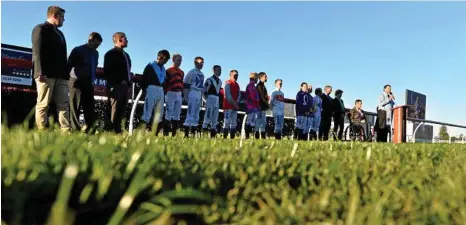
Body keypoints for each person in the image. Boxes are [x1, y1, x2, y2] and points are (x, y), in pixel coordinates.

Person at [31, 6, 70, 133]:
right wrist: (40, 72)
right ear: (55, 16)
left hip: (61, 76)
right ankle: (42, 130)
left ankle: (66, 131)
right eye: (62, 17)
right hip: (46, 75)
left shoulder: (60, 34)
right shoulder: (40, 29)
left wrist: (66, 75)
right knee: (43, 104)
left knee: (64, 104)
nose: (64, 20)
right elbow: (37, 52)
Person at [68, 32, 102, 133]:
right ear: (90, 40)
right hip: (76, 81)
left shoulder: (96, 53)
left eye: (98, 45)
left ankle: (90, 131)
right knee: (75, 107)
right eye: (95, 44)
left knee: (90, 108)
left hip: (88, 83)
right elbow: (69, 65)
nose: (96, 47)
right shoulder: (77, 50)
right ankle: (75, 130)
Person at [103, 32, 131, 134]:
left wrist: (128, 83)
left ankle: (117, 130)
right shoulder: (111, 54)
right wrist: (119, 80)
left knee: (121, 109)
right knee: (113, 108)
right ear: (120, 40)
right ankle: (110, 130)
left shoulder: (126, 55)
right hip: (115, 86)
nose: (127, 41)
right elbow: (108, 71)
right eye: (125, 39)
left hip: (124, 87)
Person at [139, 50, 170, 135]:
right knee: (147, 113)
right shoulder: (151, 65)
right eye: (165, 59)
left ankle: (155, 135)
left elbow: (164, 81)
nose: (166, 62)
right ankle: (140, 135)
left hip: (160, 91)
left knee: (159, 115)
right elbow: (144, 78)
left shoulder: (163, 69)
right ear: (160, 57)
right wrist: (144, 90)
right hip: (151, 89)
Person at [182, 56, 205, 137]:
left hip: (199, 94)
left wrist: (203, 98)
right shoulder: (191, 72)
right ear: (195, 63)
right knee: (190, 113)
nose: (201, 64)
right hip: (192, 93)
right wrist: (186, 96)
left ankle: (193, 133)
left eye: (202, 63)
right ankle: (186, 134)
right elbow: (185, 84)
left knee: (196, 114)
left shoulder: (202, 74)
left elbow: (202, 87)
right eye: (200, 62)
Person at [164, 53, 184, 137]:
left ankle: (174, 134)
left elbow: (182, 83)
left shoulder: (182, 72)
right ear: (173, 60)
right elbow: (165, 82)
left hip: (179, 94)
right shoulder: (168, 71)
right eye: (178, 60)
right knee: (168, 113)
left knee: (177, 114)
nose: (180, 62)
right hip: (170, 93)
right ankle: (165, 133)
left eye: (181, 60)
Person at [201, 65, 222, 138]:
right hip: (210, 99)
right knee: (207, 116)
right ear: (214, 70)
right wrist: (205, 101)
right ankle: (204, 135)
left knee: (215, 118)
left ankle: (213, 135)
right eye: (218, 70)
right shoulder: (209, 80)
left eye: (220, 70)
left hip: (216, 99)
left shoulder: (220, 81)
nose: (220, 71)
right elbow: (203, 91)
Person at [222, 70, 241, 139]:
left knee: (234, 123)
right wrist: (234, 103)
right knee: (226, 122)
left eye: (237, 75)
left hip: (234, 107)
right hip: (228, 106)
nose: (236, 77)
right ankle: (224, 137)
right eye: (235, 75)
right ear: (230, 75)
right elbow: (227, 96)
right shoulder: (227, 83)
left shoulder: (237, 84)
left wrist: (237, 103)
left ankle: (232, 138)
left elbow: (239, 95)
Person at [244, 72, 260, 139]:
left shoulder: (253, 86)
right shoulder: (250, 86)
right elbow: (253, 97)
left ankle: (249, 136)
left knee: (252, 122)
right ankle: (247, 136)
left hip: (254, 107)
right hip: (251, 107)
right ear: (254, 78)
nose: (258, 80)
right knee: (249, 122)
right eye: (257, 78)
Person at [255, 72, 269, 139]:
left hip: (262, 107)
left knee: (263, 122)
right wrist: (267, 104)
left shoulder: (263, 86)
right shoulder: (259, 86)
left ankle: (263, 136)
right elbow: (262, 97)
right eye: (265, 76)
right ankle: (257, 137)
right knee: (258, 122)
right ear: (261, 77)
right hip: (259, 107)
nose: (267, 78)